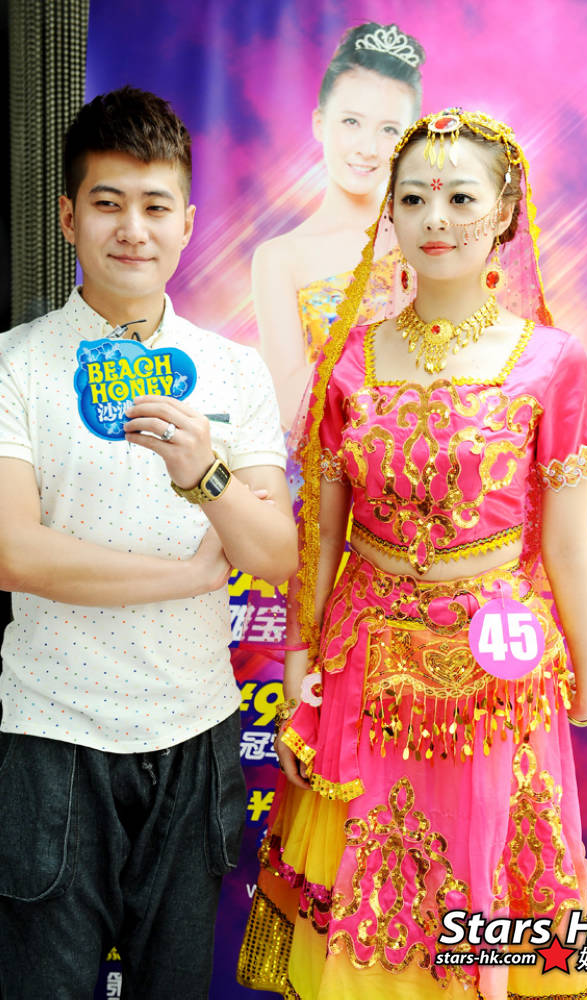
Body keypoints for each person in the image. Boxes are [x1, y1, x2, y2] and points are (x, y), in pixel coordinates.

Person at [238, 109, 587, 1000]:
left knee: (483, 883)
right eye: (411, 199)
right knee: (372, 898)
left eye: (458, 198)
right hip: (363, 664)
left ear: (504, 211)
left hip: (496, 669)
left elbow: (567, 543)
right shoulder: (350, 361)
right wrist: (299, 658)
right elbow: (320, 537)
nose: (433, 218)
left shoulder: (551, 361)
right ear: (390, 215)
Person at [0, 86, 297, 999]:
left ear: (188, 223)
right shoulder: (16, 363)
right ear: (67, 217)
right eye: (108, 203)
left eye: (156, 206)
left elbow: (274, 555)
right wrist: (186, 575)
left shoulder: (234, 371)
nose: (133, 229)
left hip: (193, 734)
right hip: (53, 740)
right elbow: (14, 553)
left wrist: (207, 475)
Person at [254, 22, 425, 427]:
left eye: (389, 130)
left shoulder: (429, 240)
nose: (368, 148)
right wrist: (379, 342)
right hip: (327, 457)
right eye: (351, 122)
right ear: (319, 123)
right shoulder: (279, 258)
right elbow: (286, 406)